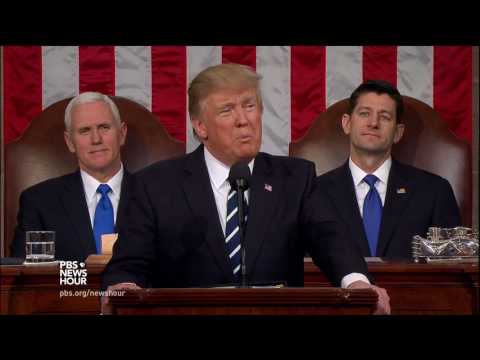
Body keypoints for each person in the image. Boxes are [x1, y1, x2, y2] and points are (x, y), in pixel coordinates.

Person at [102, 64, 390, 314]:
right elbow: (128, 263)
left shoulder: (295, 178)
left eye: (250, 106)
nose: (244, 119)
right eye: (227, 110)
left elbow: (331, 240)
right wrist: (124, 287)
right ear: (200, 126)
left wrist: (358, 284)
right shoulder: (155, 185)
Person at [316, 80, 461, 259]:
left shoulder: (434, 191)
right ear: (347, 124)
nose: (373, 123)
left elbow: (451, 270)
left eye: (384, 116)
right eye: (364, 113)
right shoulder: (315, 193)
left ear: (398, 132)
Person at [11, 92, 131, 262]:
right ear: (69, 141)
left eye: (104, 127)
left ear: (122, 133)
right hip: (68, 289)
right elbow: (26, 278)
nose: (96, 139)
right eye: (84, 131)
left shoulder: (154, 195)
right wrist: (80, 273)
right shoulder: (39, 202)